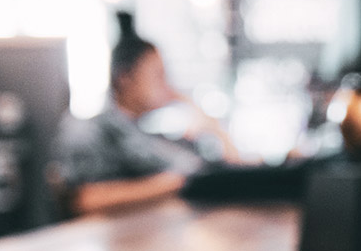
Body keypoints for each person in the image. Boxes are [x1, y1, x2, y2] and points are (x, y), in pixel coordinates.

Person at [54, 12, 235, 215]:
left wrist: (197, 111)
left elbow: (230, 162)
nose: (168, 86)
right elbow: (86, 199)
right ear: (125, 78)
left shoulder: (149, 134)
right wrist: (176, 183)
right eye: (158, 75)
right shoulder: (90, 130)